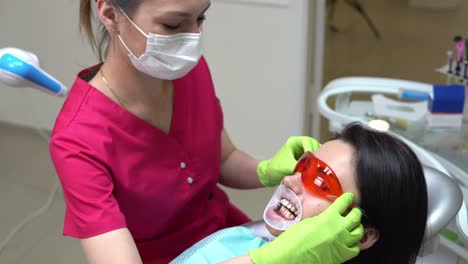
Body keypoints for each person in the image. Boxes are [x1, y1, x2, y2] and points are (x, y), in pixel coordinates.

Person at [49, 0, 363, 263]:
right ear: (110, 14)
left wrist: (266, 169)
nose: (192, 38)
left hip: (230, 238)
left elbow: (222, 160)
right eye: (172, 26)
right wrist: (273, 259)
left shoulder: (184, 68)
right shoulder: (77, 142)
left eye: (200, 18)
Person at [171, 123, 429, 264]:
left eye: (321, 182)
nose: (291, 180)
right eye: (304, 166)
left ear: (362, 236)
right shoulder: (257, 248)